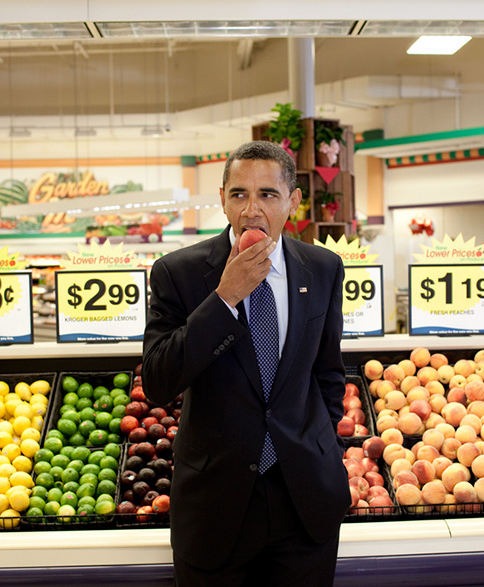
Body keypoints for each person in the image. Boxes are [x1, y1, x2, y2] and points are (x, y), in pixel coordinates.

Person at [142, 140, 350, 586]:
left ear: (292, 202)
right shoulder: (177, 273)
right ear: (221, 200)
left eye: (267, 195)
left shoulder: (324, 268)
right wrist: (225, 297)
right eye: (239, 194)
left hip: (305, 503)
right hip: (216, 507)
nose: (251, 209)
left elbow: (329, 374)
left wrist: (316, 443)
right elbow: (159, 379)